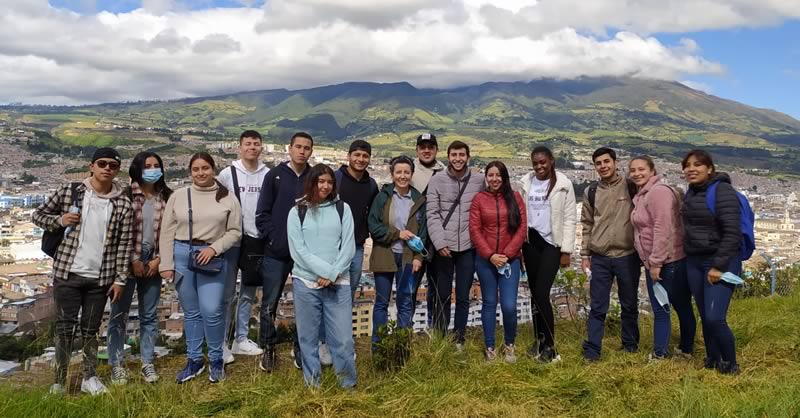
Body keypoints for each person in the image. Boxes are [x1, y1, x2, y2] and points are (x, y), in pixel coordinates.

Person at [33, 147, 133, 396]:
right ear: (91, 166)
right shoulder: (70, 191)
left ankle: (89, 376)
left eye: (112, 165)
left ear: (117, 170)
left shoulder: (122, 203)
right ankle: (59, 381)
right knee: (65, 329)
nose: (107, 168)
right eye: (102, 163)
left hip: (100, 277)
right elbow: (38, 215)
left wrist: (120, 279)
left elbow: (124, 244)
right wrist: (59, 220)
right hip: (67, 272)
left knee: (91, 329)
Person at [159, 153, 242, 383]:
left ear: (213, 169)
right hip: (182, 254)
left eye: (205, 168)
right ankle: (194, 359)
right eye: (196, 169)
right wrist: (166, 264)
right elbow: (167, 231)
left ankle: (216, 359)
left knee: (212, 310)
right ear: (190, 172)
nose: (201, 173)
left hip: (212, 257)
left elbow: (235, 232)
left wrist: (214, 249)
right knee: (192, 312)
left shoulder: (227, 198)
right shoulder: (179, 196)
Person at [287, 164, 357, 389]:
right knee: (307, 339)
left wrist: (333, 273)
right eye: (321, 181)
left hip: (338, 283)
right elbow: (298, 250)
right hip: (306, 283)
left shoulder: (342, 209)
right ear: (312, 183)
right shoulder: (297, 211)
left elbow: (348, 246)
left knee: (343, 340)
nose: (325, 186)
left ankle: (347, 385)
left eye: (329, 182)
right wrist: (326, 272)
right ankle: (313, 385)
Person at [107, 151, 172, 385]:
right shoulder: (125, 195)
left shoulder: (166, 196)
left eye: (157, 165)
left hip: (154, 259)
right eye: (148, 166)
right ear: (137, 169)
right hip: (126, 260)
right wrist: (133, 259)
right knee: (119, 315)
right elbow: (119, 231)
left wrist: (159, 259)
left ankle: (147, 362)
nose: (153, 169)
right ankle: (116, 363)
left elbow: (170, 233)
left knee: (149, 315)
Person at [255, 132, 313, 372]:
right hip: (277, 251)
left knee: (305, 303)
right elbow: (262, 213)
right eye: (298, 146)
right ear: (289, 148)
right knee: (270, 303)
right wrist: (274, 237)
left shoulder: (315, 176)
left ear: (311, 151)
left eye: (306, 148)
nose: (302, 151)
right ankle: (268, 348)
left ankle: (300, 347)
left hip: (305, 253)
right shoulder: (274, 175)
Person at [317, 139, 379, 365]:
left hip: (357, 247)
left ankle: (342, 343)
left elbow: (372, 214)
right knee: (329, 295)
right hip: (332, 248)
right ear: (348, 156)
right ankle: (323, 342)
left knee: (347, 298)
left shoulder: (372, 184)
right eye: (357, 155)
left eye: (365, 156)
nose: (361, 159)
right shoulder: (335, 179)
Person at [681, 150, 742, 374]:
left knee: (716, 317)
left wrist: (718, 265)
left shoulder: (723, 191)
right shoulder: (691, 193)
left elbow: (732, 233)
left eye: (697, 164)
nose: (691, 169)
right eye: (687, 165)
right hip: (695, 259)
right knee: (705, 314)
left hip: (719, 261)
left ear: (710, 168)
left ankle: (731, 363)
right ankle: (712, 358)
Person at [629, 155, 695, 361]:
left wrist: (656, 262)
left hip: (667, 261)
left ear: (652, 171)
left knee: (662, 308)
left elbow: (662, 228)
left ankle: (660, 353)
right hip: (661, 260)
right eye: (633, 170)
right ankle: (685, 348)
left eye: (641, 169)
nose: (637, 173)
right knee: (680, 306)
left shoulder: (658, 193)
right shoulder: (643, 194)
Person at [580, 147, 641, 361]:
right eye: (598, 163)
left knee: (629, 303)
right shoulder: (591, 192)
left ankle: (630, 345)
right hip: (600, 256)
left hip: (627, 255)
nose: (603, 166)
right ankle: (593, 349)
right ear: (595, 167)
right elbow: (587, 224)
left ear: (615, 162)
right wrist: (585, 255)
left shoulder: (631, 187)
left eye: (607, 161)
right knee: (597, 305)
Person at [520, 146, 576, 363]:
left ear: (551, 161)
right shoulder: (527, 182)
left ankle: (551, 346)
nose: (539, 166)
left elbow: (570, 217)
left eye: (543, 162)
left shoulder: (563, 184)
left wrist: (566, 250)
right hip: (531, 242)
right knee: (534, 294)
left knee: (542, 293)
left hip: (552, 243)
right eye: (535, 163)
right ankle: (539, 340)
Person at [426, 140, 485, 348]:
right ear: (448, 157)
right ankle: (441, 337)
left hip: (468, 247)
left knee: (462, 296)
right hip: (445, 247)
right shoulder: (437, 180)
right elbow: (432, 214)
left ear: (468, 157)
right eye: (454, 155)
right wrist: (440, 242)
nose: (458, 159)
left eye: (462, 155)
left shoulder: (479, 180)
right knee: (442, 295)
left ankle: (459, 338)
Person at [217, 130, 268, 362]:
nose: (252, 148)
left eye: (256, 144)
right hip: (232, 240)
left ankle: (241, 338)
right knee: (226, 294)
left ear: (261, 147)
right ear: (239, 147)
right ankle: (222, 343)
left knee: (248, 292)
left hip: (256, 240)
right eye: (248, 144)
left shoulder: (268, 174)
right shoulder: (227, 174)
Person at [469, 161, 526, 363]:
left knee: (509, 305)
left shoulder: (515, 198)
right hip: (486, 261)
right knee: (489, 304)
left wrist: (508, 254)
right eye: (491, 175)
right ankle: (490, 347)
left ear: (505, 177)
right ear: (486, 177)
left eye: (498, 175)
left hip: (510, 260)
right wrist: (490, 255)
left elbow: (522, 228)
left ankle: (510, 344)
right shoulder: (479, 199)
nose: (495, 179)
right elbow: (475, 230)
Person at [368, 156, 428, 346]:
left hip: (409, 258)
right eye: (399, 172)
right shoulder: (383, 197)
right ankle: (380, 346)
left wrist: (419, 257)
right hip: (385, 254)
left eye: (406, 172)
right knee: (381, 302)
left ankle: (403, 346)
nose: (403, 176)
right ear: (392, 174)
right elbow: (373, 225)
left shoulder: (418, 199)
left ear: (412, 174)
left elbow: (423, 232)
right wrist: (397, 234)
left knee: (406, 301)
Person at [410, 133, 446, 328]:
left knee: (437, 286)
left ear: (436, 150)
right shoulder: (409, 170)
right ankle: (405, 329)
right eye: (422, 147)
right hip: (413, 238)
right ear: (417, 150)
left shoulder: (444, 172)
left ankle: (435, 329)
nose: (426, 150)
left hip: (436, 238)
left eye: (430, 147)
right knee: (410, 287)